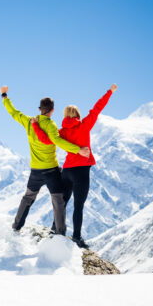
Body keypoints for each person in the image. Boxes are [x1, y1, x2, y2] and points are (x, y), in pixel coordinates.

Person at [31, 84, 117, 248]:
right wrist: (110, 92)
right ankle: (77, 237)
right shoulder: (85, 125)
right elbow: (97, 108)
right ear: (78, 114)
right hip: (81, 172)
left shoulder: (61, 132)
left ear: (64, 116)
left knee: (62, 203)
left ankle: (54, 230)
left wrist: (35, 125)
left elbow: (46, 139)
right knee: (78, 206)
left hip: (67, 171)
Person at [0, 85, 90, 235]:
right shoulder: (51, 125)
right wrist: (78, 150)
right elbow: (57, 141)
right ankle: (60, 233)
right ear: (52, 110)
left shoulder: (28, 121)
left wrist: (4, 96)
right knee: (58, 201)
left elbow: (13, 112)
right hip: (51, 171)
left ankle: (16, 227)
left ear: (40, 109)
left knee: (28, 198)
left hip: (35, 171)